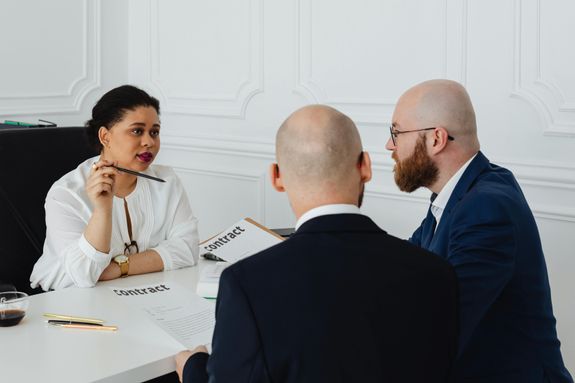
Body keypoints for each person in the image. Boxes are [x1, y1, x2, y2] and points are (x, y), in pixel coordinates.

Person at [175, 105, 459, 382]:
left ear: (277, 178)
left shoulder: (247, 284)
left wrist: (193, 370)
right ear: (366, 167)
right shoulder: (437, 272)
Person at [386, 79, 573, 382]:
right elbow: (409, 262)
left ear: (436, 139)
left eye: (396, 132)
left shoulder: (486, 207)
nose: (390, 146)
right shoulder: (464, 192)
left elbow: (440, 324)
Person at [30, 85, 199, 291]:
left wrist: (120, 267)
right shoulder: (66, 194)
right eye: (137, 131)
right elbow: (85, 275)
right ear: (105, 137)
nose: (149, 142)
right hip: (71, 303)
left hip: (142, 292)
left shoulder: (167, 180)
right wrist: (102, 210)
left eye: (154, 132)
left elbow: (188, 249)